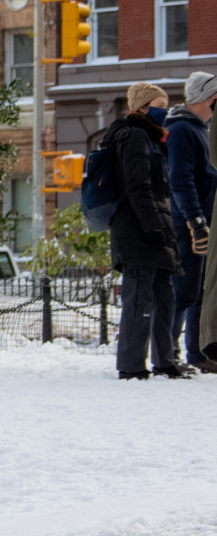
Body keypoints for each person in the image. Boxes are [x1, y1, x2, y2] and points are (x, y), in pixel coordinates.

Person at [105, 81, 182, 380]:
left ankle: (166, 360)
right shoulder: (135, 136)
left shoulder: (150, 138)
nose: (165, 112)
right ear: (141, 107)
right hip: (138, 231)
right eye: (160, 107)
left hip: (155, 228)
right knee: (140, 298)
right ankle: (132, 365)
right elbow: (137, 187)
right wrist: (152, 226)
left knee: (165, 296)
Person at [166, 72, 216, 369]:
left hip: (203, 221)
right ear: (207, 98)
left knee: (199, 291)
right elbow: (181, 180)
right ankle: (168, 354)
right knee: (184, 292)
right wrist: (196, 222)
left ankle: (198, 355)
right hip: (188, 225)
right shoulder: (183, 129)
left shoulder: (201, 129)